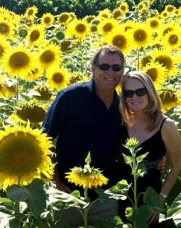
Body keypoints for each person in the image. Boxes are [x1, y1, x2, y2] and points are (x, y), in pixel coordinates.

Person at [42, 44, 126, 227]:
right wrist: (56, 182)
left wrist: (155, 160)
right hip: (68, 194)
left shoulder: (123, 105)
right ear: (93, 68)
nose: (110, 72)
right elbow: (44, 140)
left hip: (105, 198)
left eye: (116, 67)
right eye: (104, 66)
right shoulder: (70, 97)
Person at [118, 71, 181, 227]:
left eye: (140, 91)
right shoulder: (122, 121)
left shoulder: (166, 126)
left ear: (150, 92)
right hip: (119, 196)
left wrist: (160, 199)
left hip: (150, 200)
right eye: (129, 93)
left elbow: (176, 166)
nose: (134, 97)